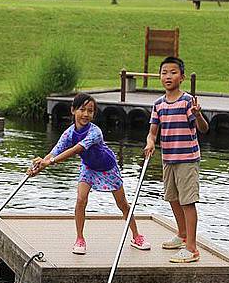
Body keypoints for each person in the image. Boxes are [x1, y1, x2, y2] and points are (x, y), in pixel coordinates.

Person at [27, 93, 151, 255]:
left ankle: (136, 236)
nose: (86, 114)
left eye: (90, 111)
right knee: (80, 199)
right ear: (73, 110)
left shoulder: (95, 132)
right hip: (89, 168)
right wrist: (39, 167)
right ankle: (80, 239)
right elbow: (55, 151)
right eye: (82, 109)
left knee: (122, 204)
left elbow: (76, 149)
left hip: (108, 167)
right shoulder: (69, 133)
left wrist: (48, 162)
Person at [143, 57, 209, 263]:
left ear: (181, 77)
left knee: (187, 201)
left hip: (187, 159)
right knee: (172, 198)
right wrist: (150, 142)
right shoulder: (158, 105)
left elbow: (203, 129)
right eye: (164, 72)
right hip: (168, 158)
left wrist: (198, 115)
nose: (168, 76)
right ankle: (181, 235)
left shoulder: (188, 101)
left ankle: (192, 248)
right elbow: (152, 132)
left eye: (173, 72)